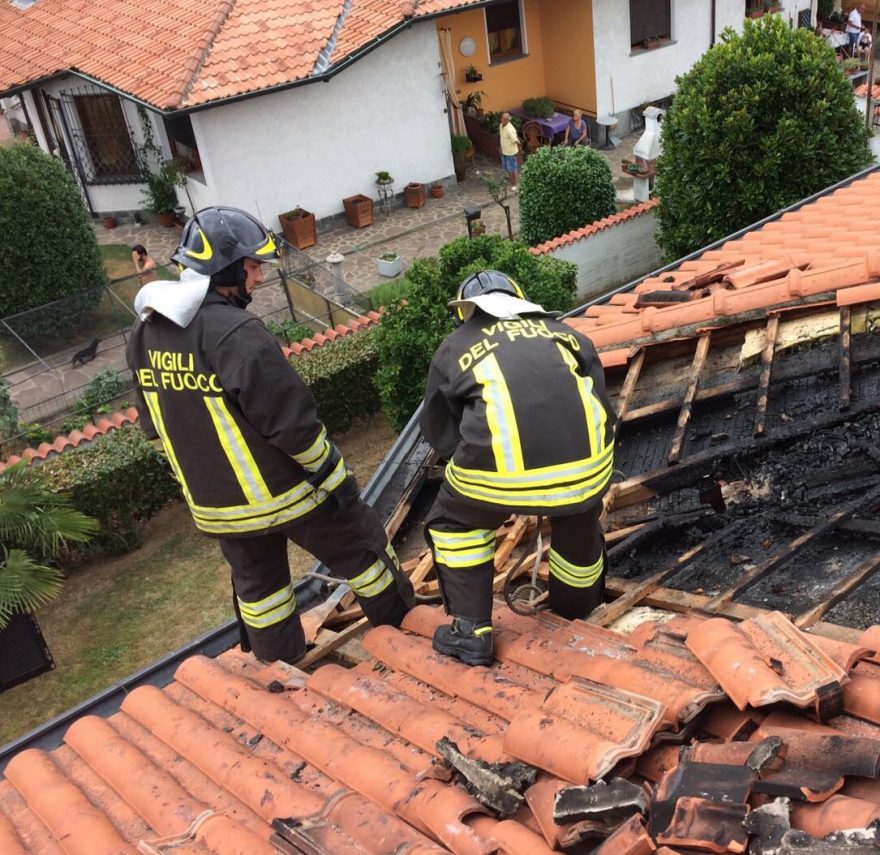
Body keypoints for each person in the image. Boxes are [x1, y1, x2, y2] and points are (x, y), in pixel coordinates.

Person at [126, 206, 414, 663]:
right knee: (366, 553)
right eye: (253, 267)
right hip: (287, 494)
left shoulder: (144, 337)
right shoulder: (236, 333)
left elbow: (156, 427)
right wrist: (337, 478)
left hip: (221, 512)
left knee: (262, 596)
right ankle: (408, 638)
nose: (258, 278)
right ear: (225, 267)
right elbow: (293, 425)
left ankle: (282, 673)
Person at [420, 270, 617, 666]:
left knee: (453, 521)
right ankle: (577, 609)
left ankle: (470, 632)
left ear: (467, 311)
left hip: (498, 476)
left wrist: (478, 463)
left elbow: (439, 428)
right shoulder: (566, 333)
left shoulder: (454, 346)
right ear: (520, 299)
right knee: (578, 510)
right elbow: (601, 400)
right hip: (589, 466)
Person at [499, 112, 521, 187]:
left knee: (513, 168)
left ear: (507, 120)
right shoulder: (501, 125)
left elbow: (516, 141)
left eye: (503, 119)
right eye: (502, 118)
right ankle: (511, 182)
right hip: (504, 151)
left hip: (510, 153)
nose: (501, 120)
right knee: (508, 168)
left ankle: (515, 184)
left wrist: (519, 149)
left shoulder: (510, 129)